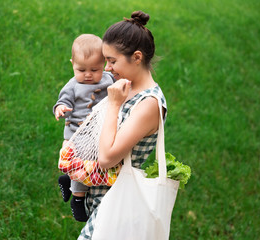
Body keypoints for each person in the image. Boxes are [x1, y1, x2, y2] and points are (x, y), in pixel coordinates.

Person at [78, 10, 168, 239]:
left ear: (137, 57)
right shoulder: (125, 86)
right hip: (102, 200)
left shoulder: (149, 104)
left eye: (112, 61)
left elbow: (107, 158)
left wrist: (114, 105)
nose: (107, 68)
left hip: (117, 205)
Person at [53, 34, 115, 222]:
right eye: (81, 69)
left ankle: (67, 180)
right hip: (77, 135)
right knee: (80, 165)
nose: (88, 74)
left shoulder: (109, 79)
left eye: (94, 69)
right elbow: (62, 101)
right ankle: (78, 201)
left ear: (103, 64)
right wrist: (61, 109)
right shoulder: (72, 86)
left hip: (99, 133)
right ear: (72, 63)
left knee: (91, 167)